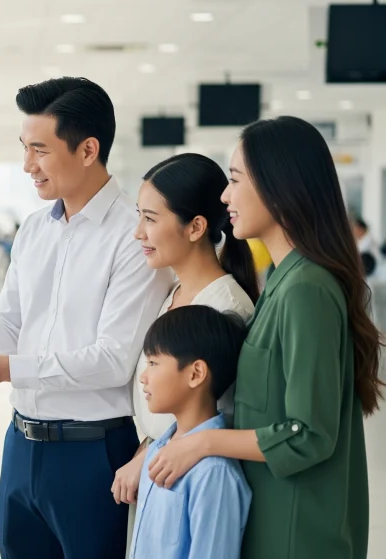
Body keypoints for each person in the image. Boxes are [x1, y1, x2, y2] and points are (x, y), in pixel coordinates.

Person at [0, 77, 173, 558]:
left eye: (40, 150)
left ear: (88, 149)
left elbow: (113, 359)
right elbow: (10, 324)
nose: (28, 165)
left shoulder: (135, 234)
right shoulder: (33, 230)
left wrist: (6, 369)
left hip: (93, 453)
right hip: (22, 445)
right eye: (24, 149)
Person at [146, 116, 383, 559]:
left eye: (235, 179)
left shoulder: (306, 289)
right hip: (274, 514)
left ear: (280, 186)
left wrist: (203, 443)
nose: (225, 195)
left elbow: (308, 433)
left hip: (298, 530)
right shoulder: (281, 279)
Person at [111, 153, 258, 528]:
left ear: (195, 227)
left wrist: (146, 456)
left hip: (191, 480)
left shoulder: (226, 308)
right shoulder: (173, 292)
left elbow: (219, 415)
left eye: (150, 219)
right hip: (162, 467)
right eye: (138, 217)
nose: (138, 233)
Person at [130, 305, 252, 559]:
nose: (143, 376)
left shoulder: (214, 473)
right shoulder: (156, 449)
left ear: (196, 373)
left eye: (153, 362)